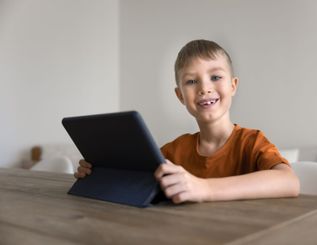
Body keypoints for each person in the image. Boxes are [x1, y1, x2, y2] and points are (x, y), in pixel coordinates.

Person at [75, 39, 300, 204]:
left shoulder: (251, 143)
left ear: (233, 85)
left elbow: (289, 182)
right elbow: (136, 179)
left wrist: (205, 188)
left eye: (215, 77)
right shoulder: (174, 152)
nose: (205, 88)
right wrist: (98, 171)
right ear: (180, 96)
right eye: (192, 81)